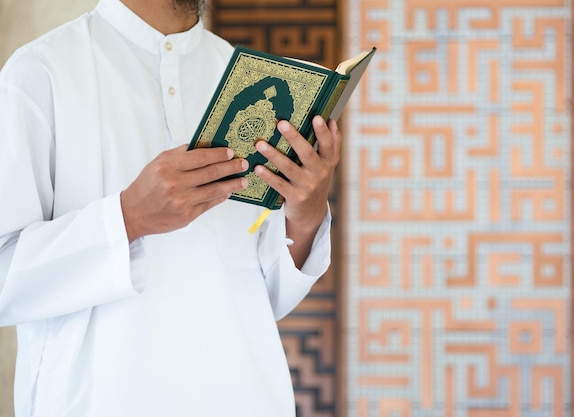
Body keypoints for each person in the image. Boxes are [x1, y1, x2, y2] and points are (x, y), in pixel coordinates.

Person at [0, 0, 341, 415]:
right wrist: (128, 217)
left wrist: (305, 215)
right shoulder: (39, 73)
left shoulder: (242, 75)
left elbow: (260, 294)